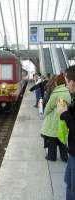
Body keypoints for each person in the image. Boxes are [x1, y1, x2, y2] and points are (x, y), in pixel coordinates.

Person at [41, 74, 71, 161]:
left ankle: (52, 156)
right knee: (62, 139)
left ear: (57, 82)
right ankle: (64, 157)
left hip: (54, 119)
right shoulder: (67, 91)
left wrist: (44, 114)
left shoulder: (56, 93)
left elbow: (49, 107)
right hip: (64, 118)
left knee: (52, 139)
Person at [58, 65, 75, 200]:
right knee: (68, 182)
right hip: (72, 152)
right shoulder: (73, 97)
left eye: (66, 81)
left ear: (72, 83)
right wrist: (68, 110)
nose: (66, 85)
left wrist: (65, 114)